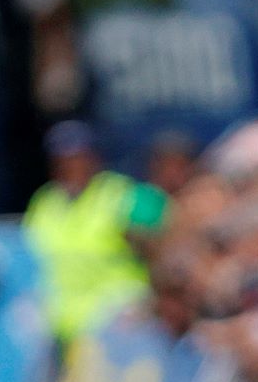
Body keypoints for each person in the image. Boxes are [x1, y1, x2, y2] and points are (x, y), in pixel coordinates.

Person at [24, 121, 169, 350]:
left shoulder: (124, 195)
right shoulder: (44, 202)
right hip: (61, 317)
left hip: (115, 312)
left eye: (76, 157)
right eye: (62, 159)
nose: (69, 166)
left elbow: (159, 240)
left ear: (93, 159)